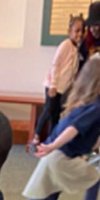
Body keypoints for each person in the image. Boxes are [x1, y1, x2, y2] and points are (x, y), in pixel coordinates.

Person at [14, 58, 100, 200]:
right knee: (94, 180)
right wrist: (52, 146)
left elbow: (91, 143)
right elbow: (72, 129)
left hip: (58, 155)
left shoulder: (94, 105)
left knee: (50, 197)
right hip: (60, 155)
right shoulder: (94, 107)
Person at [32, 13, 84, 149]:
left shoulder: (75, 49)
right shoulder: (65, 45)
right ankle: (36, 137)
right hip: (53, 86)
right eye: (77, 30)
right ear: (69, 32)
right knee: (48, 110)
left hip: (63, 89)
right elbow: (56, 64)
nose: (80, 34)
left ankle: (50, 141)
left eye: (82, 31)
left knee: (56, 115)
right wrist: (53, 85)